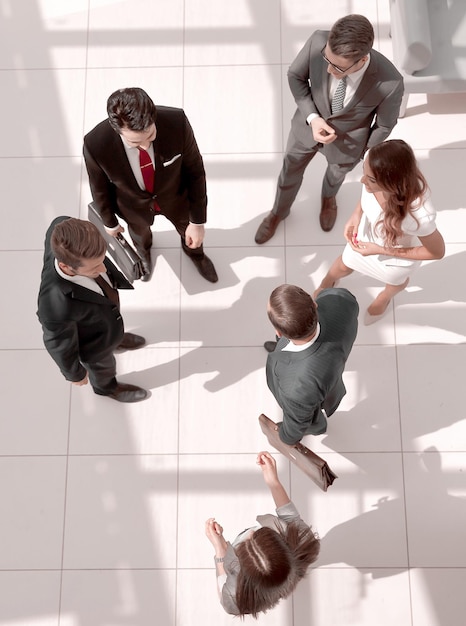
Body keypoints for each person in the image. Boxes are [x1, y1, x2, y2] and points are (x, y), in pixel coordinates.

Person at [255, 14, 403, 242]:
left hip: (349, 144)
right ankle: (278, 213)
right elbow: (295, 75)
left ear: (362, 61)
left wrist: (362, 152)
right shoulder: (317, 41)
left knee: (335, 178)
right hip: (305, 129)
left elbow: (384, 125)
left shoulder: (390, 83)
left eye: (338, 68)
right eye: (327, 60)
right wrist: (313, 117)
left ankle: (328, 200)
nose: (328, 71)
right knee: (289, 172)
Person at [83, 87, 218, 283]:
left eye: (151, 136)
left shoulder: (177, 122)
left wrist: (197, 222)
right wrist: (109, 222)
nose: (146, 146)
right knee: (140, 235)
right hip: (132, 206)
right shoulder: (95, 143)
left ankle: (196, 255)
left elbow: (195, 171)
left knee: (190, 234)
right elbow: (99, 187)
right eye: (135, 142)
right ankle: (144, 253)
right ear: (117, 130)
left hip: (176, 198)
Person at [314, 139, 445, 324]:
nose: (362, 180)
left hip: (396, 257)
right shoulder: (372, 159)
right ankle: (327, 282)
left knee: (395, 281)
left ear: (392, 184)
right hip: (367, 237)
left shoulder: (419, 214)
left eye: (372, 180)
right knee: (344, 263)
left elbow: (437, 252)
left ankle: (385, 297)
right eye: (364, 173)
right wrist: (356, 215)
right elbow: (367, 191)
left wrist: (380, 250)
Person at [37, 216, 148, 403]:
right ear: (66, 266)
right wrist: (75, 374)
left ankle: (116, 339)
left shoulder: (62, 229)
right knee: (103, 367)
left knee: (111, 326)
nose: (103, 268)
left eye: (102, 259)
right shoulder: (55, 305)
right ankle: (106, 388)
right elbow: (58, 345)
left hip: (104, 320)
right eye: (94, 267)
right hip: (94, 344)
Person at [205, 451, 320, 618]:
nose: (251, 531)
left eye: (248, 541)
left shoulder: (234, 595)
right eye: (257, 535)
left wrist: (219, 547)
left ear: (236, 565)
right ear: (281, 544)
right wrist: (273, 482)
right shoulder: (302, 541)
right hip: (290, 576)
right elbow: (290, 516)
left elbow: (223, 585)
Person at [265, 284, 358, 444]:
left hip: (312, 389)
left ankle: (317, 427)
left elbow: (296, 424)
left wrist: (285, 438)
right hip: (329, 362)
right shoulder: (339, 298)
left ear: (278, 333)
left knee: (310, 417)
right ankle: (282, 350)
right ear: (314, 304)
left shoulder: (295, 388)